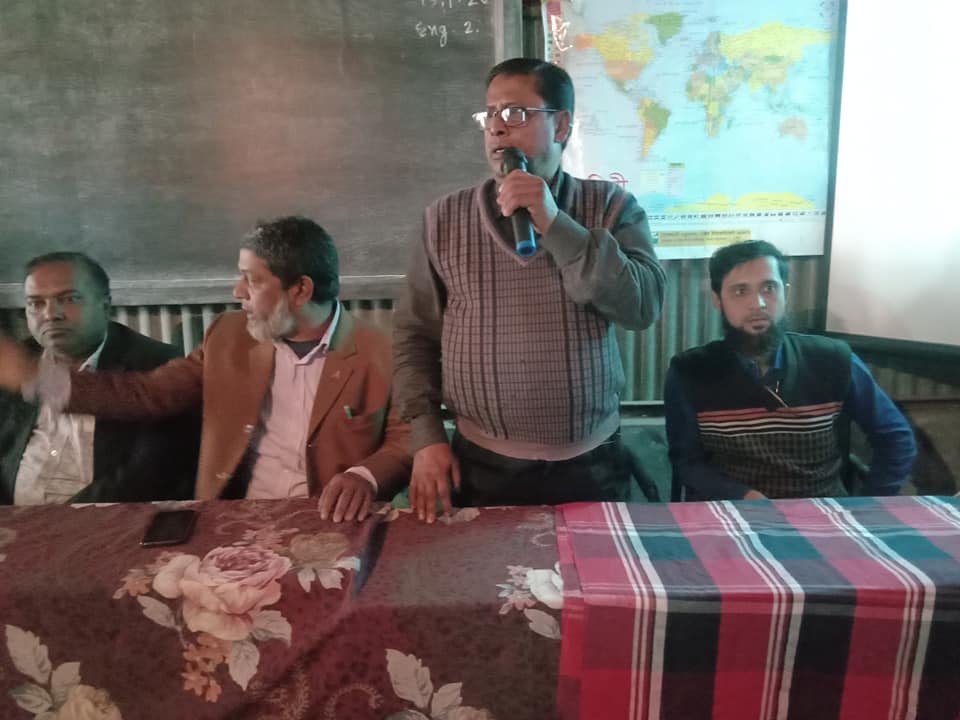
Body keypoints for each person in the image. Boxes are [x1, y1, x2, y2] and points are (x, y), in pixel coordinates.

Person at [392, 57, 666, 521]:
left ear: (561, 126)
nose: (497, 128)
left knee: (592, 570)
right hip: (482, 465)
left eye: (515, 113)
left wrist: (556, 223)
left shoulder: (612, 206)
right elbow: (413, 335)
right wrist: (426, 436)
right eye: (490, 115)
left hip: (592, 464)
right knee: (491, 569)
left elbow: (641, 307)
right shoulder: (443, 220)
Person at [0, 217, 411, 521]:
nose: (237, 292)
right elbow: (149, 394)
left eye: (251, 280)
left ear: (300, 289)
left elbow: (406, 437)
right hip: (232, 518)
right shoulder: (228, 336)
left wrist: (365, 476)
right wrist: (38, 379)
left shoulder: (382, 352)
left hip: (329, 519)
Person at [664, 239, 917, 500]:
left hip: (819, 509)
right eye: (740, 291)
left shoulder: (832, 359)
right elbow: (687, 463)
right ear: (717, 301)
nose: (758, 304)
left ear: (785, 293)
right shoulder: (689, 371)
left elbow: (895, 438)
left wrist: (869, 506)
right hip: (733, 512)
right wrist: (742, 495)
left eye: (769, 288)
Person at [0, 252, 199, 504]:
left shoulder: (155, 365)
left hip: (101, 515)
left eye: (69, 299)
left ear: (105, 306)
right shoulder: (14, 364)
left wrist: (60, 518)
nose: (50, 314)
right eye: (36, 303)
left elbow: (148, 474)